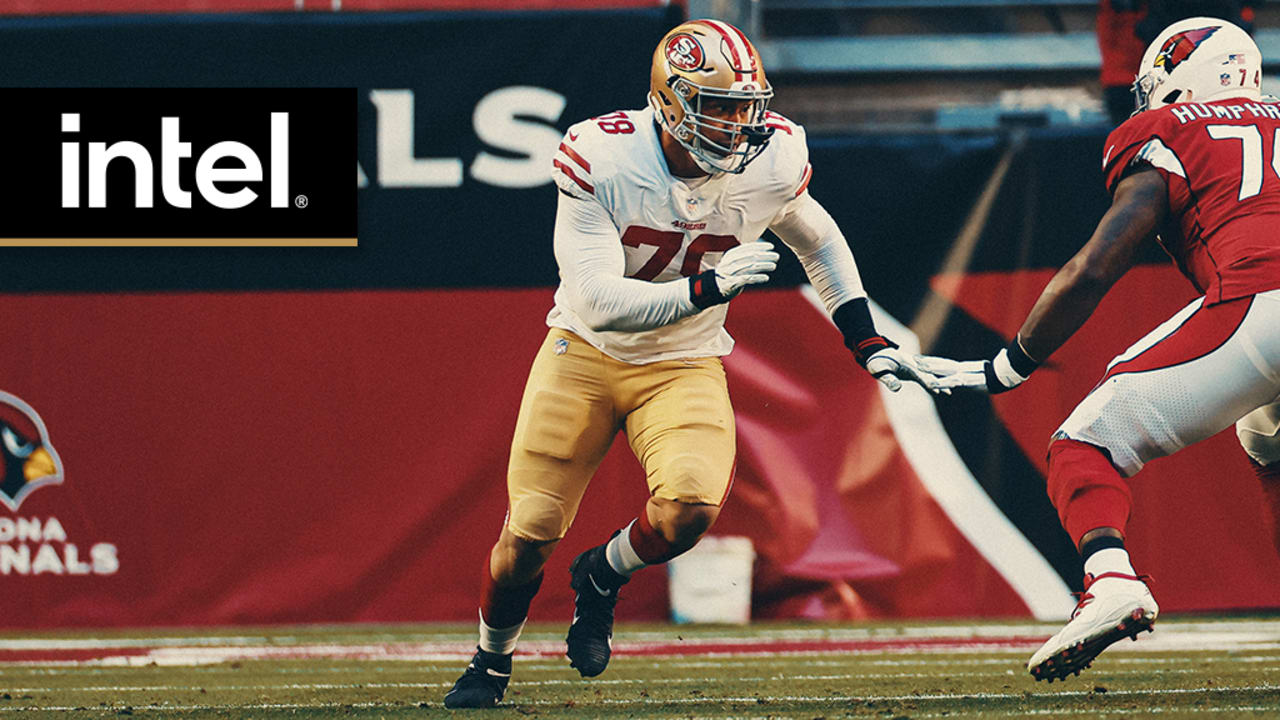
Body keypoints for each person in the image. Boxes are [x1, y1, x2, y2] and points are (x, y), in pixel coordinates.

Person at [443, 18, 943, 709]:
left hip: (684, 362)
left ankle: (601, 574)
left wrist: (867, 340)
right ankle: (490, 662)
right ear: (670, 101)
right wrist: (706, 287)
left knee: (688, 509)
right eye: (720, 108)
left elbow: (819, 242)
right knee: (528, 533)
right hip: (585, 354)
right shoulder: (602, 156)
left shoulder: (772, 158)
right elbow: (597, 299)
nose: (740, 126)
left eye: (747, 107)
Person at [921, 17, 1280, 682]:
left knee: (1084, 443)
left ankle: (1110, 579)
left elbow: (1094, 266)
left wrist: (1010, 364)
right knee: (1267, 440)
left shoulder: (1167, 129)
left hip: (1262, 300)